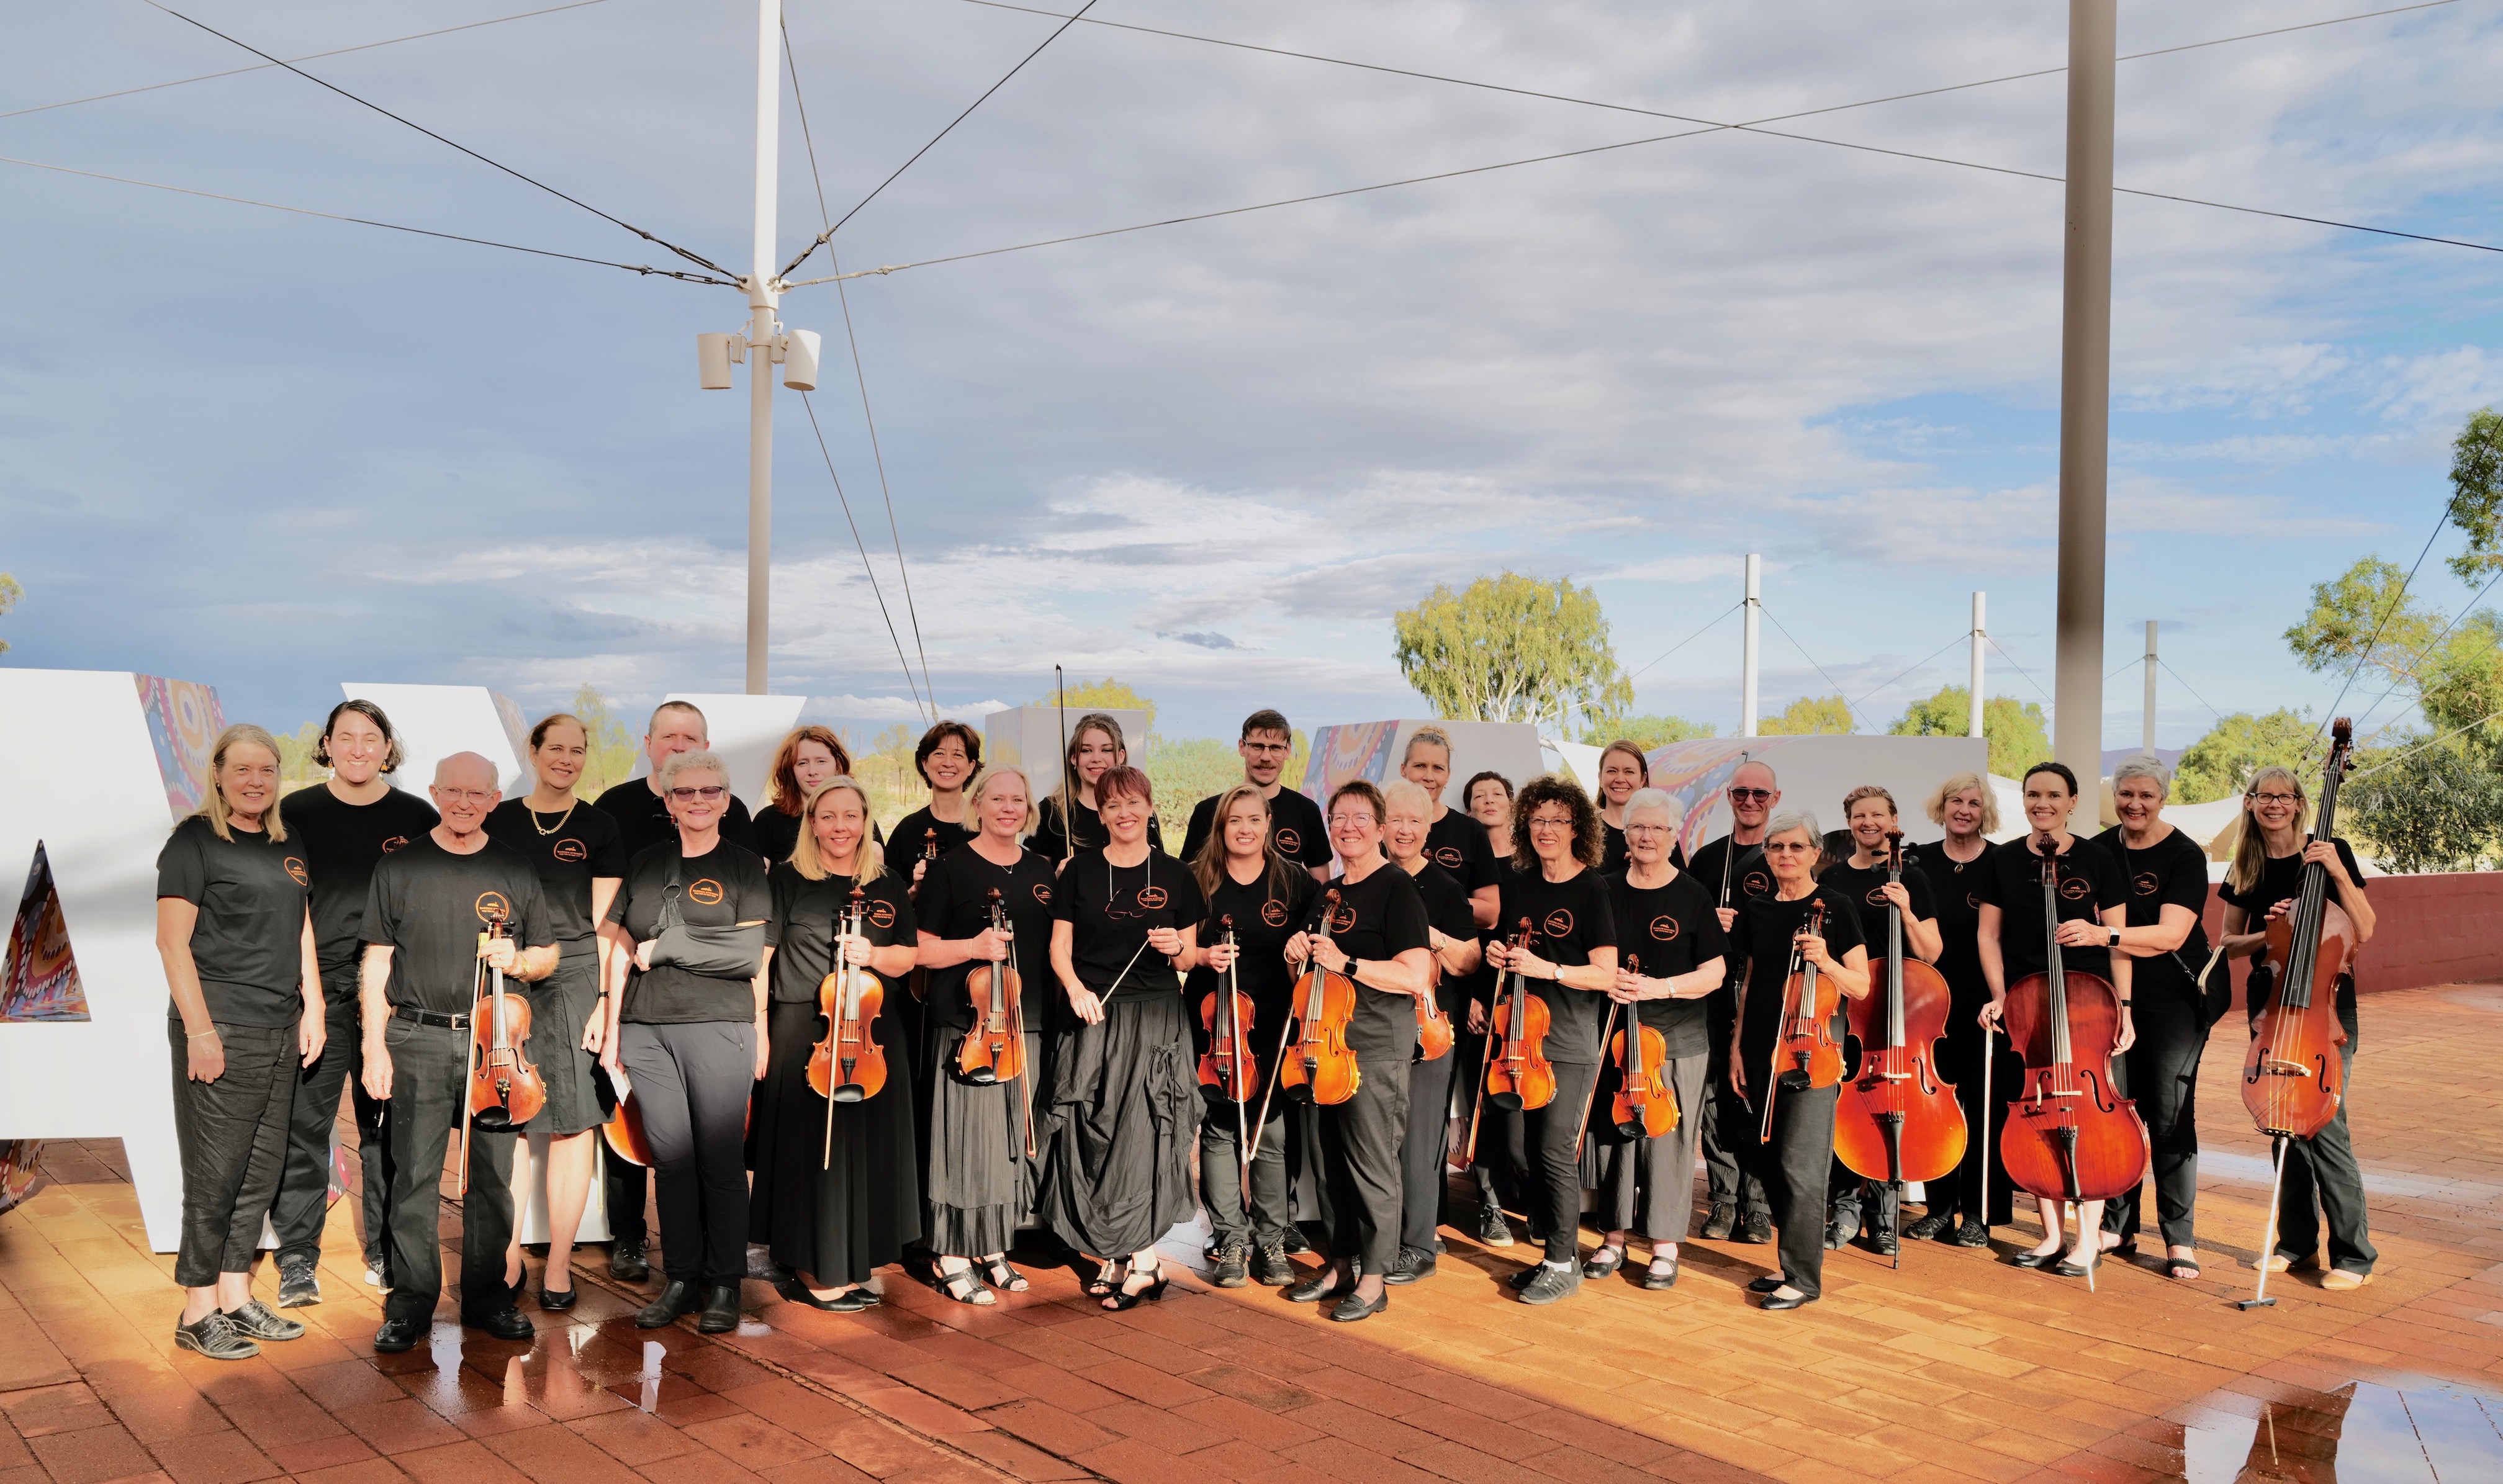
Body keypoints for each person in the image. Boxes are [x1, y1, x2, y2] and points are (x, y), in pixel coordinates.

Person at [358, 752, 558, 1352]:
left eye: (477, 793)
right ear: (434, 792)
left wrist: (517, 961)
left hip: (493, 1044)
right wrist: (374, 1044)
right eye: (453, 791)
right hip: (416, 1036)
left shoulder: (516, 869)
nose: (464, 802)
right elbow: (376, 962)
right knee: (414, 1175)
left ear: (495, 799)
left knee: (491, 1178)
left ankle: (488, 1296)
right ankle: (411, 1302)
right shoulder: (400, 866)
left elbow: (547, 956)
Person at [157, 724, 325, 1360]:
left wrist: (313, 1004)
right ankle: (197, 1306)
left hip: (281, 1026)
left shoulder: (287, 840)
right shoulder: (194, 842)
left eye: (268, 770)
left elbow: (301, 925)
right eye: (244, 769)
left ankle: (234, 1294)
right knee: (215, 1172)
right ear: (220, 774)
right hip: (222, 1027)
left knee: (260, 1170)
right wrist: (200, 1030)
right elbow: (172, 942)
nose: (257, 780)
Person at [268, 699, 437, 1305]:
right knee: (307, 1128)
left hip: (393, 994)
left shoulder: (418, 815)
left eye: (371, 737)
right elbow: (287, 909)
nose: (359, 748)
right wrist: (310, 999)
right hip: (319, 987)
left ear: (388, 747)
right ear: (328, 746)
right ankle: (297, 1260)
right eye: (347, 737)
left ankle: (387, 1251)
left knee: (385, 1130)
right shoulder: (296, 811)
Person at [600, 749, 772, 1334]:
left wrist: (670, 945)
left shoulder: (745, 865)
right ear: (668, 802)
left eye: (710, 791)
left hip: (720, 1027)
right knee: (670, 1160)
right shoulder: (646, 863)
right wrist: (609, 1022)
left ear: (726, 798)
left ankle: (724, 1284)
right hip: (646, 1031)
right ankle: (679, 1278)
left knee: (720, 1161)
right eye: (685, 793)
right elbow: (620, 946)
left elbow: (748, 956)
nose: (698, 801)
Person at [1039, 766, 1206, 1309]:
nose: (1124, 813)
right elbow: (1059, 948)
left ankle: (1146, 1259)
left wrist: (1171, 947)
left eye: (1133, 802)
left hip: (1154, 1021)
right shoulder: (1079, 872)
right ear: (1101, 813)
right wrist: (1075, 988)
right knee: (1095, 1133)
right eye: (1113, 805)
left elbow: (1188, 955)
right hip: (1092, 1016)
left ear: (1150, 806)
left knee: (1141, 1136)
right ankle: (1117, 1253)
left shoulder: (1177, 874)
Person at [751, 778, 921, 1310]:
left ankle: (851, 1257)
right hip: (806, 1027)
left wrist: (870, 953)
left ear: (866, 820)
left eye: (851, 816)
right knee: (809, 1152)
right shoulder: (788, 878)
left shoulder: (887, 881)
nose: (840, 827)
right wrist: (759, 1029)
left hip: (870, 1028)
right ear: (812, 823)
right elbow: (762, 958)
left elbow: (908, 958)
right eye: (828, 816)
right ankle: (811, 1265)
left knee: (860, 1148)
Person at [482, 714, 626, 1310]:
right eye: (555, 748)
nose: (566, 759)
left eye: (577, 750)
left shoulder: (601, 826)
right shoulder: (500, 820)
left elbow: (605, 927)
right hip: (506, 978)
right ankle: (510, 1255)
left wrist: (601, 1001)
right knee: (508, 1118)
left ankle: (561, 1266)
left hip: (572, 981)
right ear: (533, 751)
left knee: (570, 1124)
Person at [2219, 764, 2378, 1290]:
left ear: (2300, 802)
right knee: (2279, 1114)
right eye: (2264, 796)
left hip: (2327, 1005)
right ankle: (2296, 1243)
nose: (2274, 805)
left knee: (2326, 1122)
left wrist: (2333, 868)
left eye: (2284, 796)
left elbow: (2366, 925)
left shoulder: (2330, 850)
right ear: (2250, 803)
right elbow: (2227, 942)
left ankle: (2354, 1254)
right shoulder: (2246, 864)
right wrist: (2267, 931)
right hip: (2272, 1002)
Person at [1281, 781, 1435, 1321]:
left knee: (1371, 1163)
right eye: (1338, 816)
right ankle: (1340, 1262)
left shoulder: (1397, 887)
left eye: (1359, 817)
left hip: (1374, 1045)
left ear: (1380, 826)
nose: (1348, 826)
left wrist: (1347, 962)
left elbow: (1415, 974)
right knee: (1328, 1166)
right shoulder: (1330, 892)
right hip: (1323, 1045)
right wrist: (1295, 950)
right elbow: (1306, 972)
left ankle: (1374, 1277)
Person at [1978, 762, 2132, 1278]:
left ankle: (2088, 1237)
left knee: (2093, 1120)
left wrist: (2125, 1009)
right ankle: (2050, 1234)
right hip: (2028, 1002)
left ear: (2072, 801)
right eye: (2032, 794)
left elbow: (2120, 940)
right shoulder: (2001, 859)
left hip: (2090, 1002)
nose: (2041, 803)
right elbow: (1989, 936)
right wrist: (2001, 997)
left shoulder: (2098, 857)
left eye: (2053, 795)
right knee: (2036, 1112)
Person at [916, 768, 1057, 1300]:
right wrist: (973, 947)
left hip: (1029, 1024)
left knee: (1005, 1144)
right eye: (997, 798)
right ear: (978, 804)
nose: (1008, 807)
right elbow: (920, 949)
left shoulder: (1044, 868)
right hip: (968, 1027)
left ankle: (993, 1245)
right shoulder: (950, 868)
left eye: (1017, 799)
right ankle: (950, 1250)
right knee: (963, 1144)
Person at [1484, 775, 1619, 1306]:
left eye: (1558, 820)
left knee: (1554, 1152)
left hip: (1567, 1039)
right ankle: (1550, 1256)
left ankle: (1563, 1261)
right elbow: (1508, 942)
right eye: (1537, 819)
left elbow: (1606, 973)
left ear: (1577, 828)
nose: (1546, 829)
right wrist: (1500, 956)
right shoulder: (1520, 883)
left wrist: (1549, 968)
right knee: (1522, 1150)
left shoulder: (1592, 888)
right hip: (1520, 1038)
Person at [1727, 810, 1869, 1311]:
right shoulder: (1757, 909)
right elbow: (1746, 984)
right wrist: (1737, 1048)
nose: (1785, 854)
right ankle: (1791, 1261)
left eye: (1795, 846)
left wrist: (1825, 959)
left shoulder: (1837, 906)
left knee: (1801, 1165)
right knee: (1769, 1159)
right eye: (1776, 847)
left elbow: (1860, 984)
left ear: (1814, 853)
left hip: (1813, 1053)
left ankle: (1805, 1278)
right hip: (1763, 1049)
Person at [1584, 789, 1724, 1290]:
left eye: (1656, 829)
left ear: (1673, 836)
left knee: (1669, 1139)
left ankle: (1665, 1244)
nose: (1646, 836)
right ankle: (1614, 1235)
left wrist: (1659, 986)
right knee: (1616, 1136)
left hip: (1678, 1038)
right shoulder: (1601, 888)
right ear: (1626, 835)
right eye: (1637, 828)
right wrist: (1606, 978)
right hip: (1616, 1037)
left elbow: (1715, 972)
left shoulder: (1692, 895)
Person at [1183, 783, 1317, 1288]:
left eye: (1254, 820)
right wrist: (1201, 954)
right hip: (1215, 1022)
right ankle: (1230, 1238)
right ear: (1221, 826)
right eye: (1234, 820)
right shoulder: (1198, 878)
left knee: (1272, 1130)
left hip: (1275, 1023)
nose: (1244, 828)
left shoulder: (1295, 881)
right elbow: (1182, 950)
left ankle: (1271, 1238)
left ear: (1268, 824)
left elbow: (1311, 948)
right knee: (1219, 1129)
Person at [2092, 755, 2217, 1282]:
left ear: (2163, 798)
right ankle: (2120, 1224)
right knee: (2118, 1110)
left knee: (2168, 1116)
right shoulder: (2097, 851)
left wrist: (2106, 935)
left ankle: (2180, 1237)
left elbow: (2170, 935)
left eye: (2146, 795)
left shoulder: (2185, 855)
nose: (2135, 804)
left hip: (2174, 1002)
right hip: (2111, 996)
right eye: (2126, 794)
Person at [1817, 786, 1941, 1256]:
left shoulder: (1913, 876)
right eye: (1859, 815)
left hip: (1898, 1014)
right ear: (1849, 822)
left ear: (1893, 821)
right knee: (1849, 1107)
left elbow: (1931, 952)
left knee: (1894, 1105)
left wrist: (1906, 908)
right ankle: (1846, 1209)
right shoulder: (1832, 881)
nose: (1868, 822)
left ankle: (1884, 1215)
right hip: (1848, 1011)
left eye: (1877, 814)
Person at [1381, 780, 1484, 1287]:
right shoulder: (1365, 879)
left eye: (1414, 821)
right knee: (1379, 1139)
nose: (1404, 829)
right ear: (1382, 825)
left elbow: (1469, 959)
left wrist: (1434, 938)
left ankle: (1419, 1243)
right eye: (1395, 819)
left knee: (1421, 1139)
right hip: (1373, 1025)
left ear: (1427, 829)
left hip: (1429, 1027)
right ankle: (1382, 1237)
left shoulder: (1444, 888)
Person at [1903, 773, 2010, 1247]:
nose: (1964, 809)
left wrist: (2003, 996)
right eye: (1955, 801)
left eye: (1974, 802)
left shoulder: (2001, 861)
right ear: (1941, 805)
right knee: (1935, 1109)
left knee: (1985, 1112)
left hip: (1984, 1005)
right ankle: (1939, 1208)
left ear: (1985, 811)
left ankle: (1979, 1215)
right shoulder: (1917, 860)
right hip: (1930, 1007)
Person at [1685, 759, 1781, 1243]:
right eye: (1741, 793)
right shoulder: (1706, 858)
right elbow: (1683, 924)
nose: (1750, 802)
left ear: (1775, 800)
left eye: (1760, 795)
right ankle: (1722, 1198)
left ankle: (1758, 1204)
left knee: (1758, 1097)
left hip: (1762, 994)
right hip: (1714, 994)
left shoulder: (1784, 854)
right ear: (1729, 797)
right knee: (1713, 1099)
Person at [1457, 768, 1523, 1248]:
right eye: (1478, 796)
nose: (1487, 801)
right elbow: (1469, 937)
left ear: (1511, 803)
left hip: (1527, 998)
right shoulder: (1469, 862)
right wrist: (1477, 994)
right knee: (1482, 1100)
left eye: (1496, 793)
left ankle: (1526, 1196)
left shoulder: (1531, 860)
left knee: (1519, 1103)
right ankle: (1490, 1205)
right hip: (1477, 991)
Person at [1180, 709, 1333, 882]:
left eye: (1276, 748)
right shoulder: (1208, 811)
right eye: (1257, 746)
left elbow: (1321, 887)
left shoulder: (1307, 811)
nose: (1266, 757)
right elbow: (1188, 883)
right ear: (1242, 747)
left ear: (1287, 750)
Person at [1031, 713, 1166, 861]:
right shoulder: (1049, 811)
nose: (1096, 759)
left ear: (1120, 756)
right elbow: (1037, 879)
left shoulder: (1139, 812)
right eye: (1086, 750)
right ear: (1074, 758)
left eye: (1106, 750)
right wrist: (1058, 878)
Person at [1402, 728, 1499, 930]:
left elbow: (1491, 912)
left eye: (1438, 768)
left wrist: (1437, 904)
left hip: (1456, 952)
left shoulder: (1470, 830)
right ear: (1404, 770)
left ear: (1447, 776)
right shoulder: (1381, 828)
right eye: (1420, 766)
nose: (1429, 776)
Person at [895, 721, 983, 880]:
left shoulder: (985, 827)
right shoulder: (907, 830)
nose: (948, 763)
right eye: (939, 754)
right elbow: (890, 903)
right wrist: (916, 890)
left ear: (971, 766)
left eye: (958, 755)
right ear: (925, 763)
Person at [755, 727, 855, 866]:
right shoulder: (767, 820)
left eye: (821, 761)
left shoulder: (857, 819)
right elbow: (756, 881)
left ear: (838, 765)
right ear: (790, 769)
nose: (812, 771)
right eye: (803, 763)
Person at [1466, 771, 1516, 861]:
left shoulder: (1534, 853)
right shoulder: (1465, 862)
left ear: (1511, 807)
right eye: (1479, 796)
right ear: (1469, 813)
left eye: (1497, 794)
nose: (1489, 800)